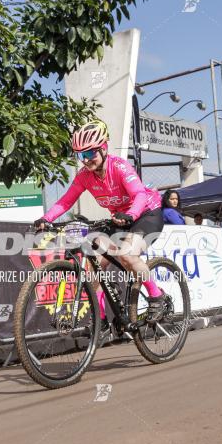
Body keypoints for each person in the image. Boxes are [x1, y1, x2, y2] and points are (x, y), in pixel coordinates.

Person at [34, 119, 169, 319]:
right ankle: (102, 319)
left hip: (146, 213)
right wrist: (46, 218)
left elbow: (139, 194)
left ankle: (157, 296)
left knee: (127, 255)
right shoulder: (84, 176)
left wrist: (131, 214)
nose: (86, 160)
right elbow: (65, 201)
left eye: (90, 153)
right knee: (94, 264)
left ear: (104, 148)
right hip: (119, 218)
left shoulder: (120, 167)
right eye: (81, 155)